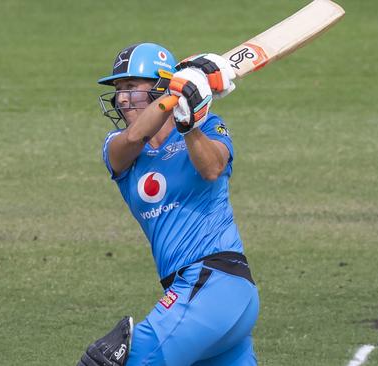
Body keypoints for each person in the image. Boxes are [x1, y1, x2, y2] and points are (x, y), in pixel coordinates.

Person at [77, 42, 259, 366]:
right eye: (118, 90)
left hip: (211, 282)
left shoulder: (209, 126)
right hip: (200, 295)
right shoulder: (117, 149)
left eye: (131, 87)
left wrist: (189, 125)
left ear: (158, 85)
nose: (121, 98)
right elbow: (133, 139)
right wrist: (176, 94)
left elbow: (212, 168)